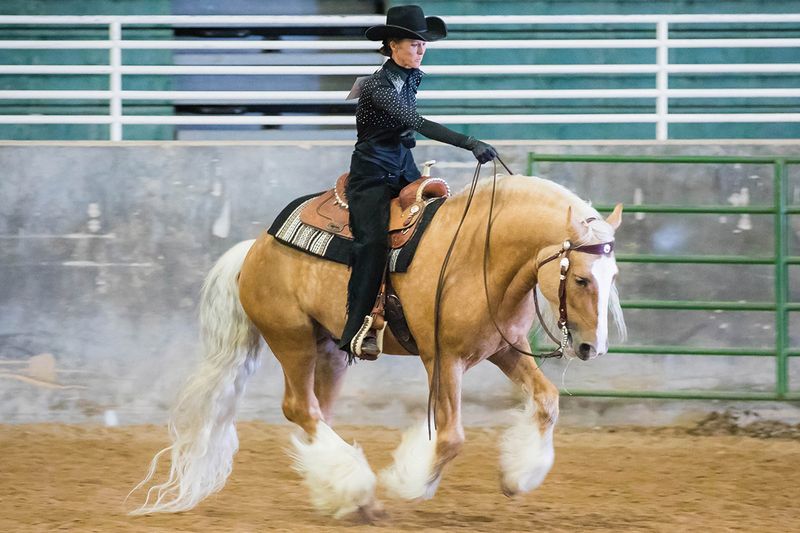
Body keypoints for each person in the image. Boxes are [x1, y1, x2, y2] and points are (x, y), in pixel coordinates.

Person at [339, 4, 498, 358]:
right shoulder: (377, 86)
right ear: (392, 45)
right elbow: (418, 121)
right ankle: (357, 326)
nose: (420, 49)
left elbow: (404, 125)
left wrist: (402, 135)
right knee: (373, 242)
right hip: (372, 174)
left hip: (402, 166)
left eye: (422, 43)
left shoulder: (409, 77)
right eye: (413, 43)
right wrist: (469, 143)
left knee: (439, 220)